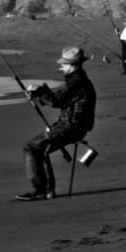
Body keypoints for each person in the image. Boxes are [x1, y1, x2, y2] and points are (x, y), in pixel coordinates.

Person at [17, 46, 97, 202]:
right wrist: (40, 94)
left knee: (32, 147)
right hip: (71, 125)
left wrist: (39, 92)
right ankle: (47, 190)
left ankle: (41, 190)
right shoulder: (79, 79)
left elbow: (57, 101)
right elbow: (61, 98)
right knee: (40, 149)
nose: (61, 66)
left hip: (71, 127)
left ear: (72, 65)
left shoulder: (77, 81)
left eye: (64, 64)